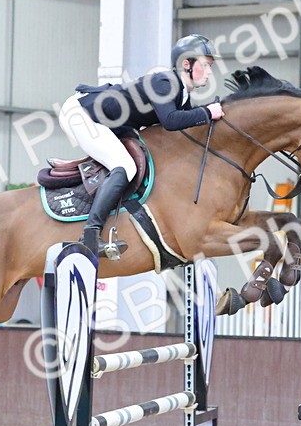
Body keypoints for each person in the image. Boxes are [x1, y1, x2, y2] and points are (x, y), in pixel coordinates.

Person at [57, 34, 225, 260]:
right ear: (187, 64)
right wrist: (208, 112)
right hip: (81, 114)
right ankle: (90, 235)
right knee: (124, 165)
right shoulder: (165, 82)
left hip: (113, 122)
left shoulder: (181, 95)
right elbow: (171, 121)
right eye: (205, 65)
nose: (209, 71)